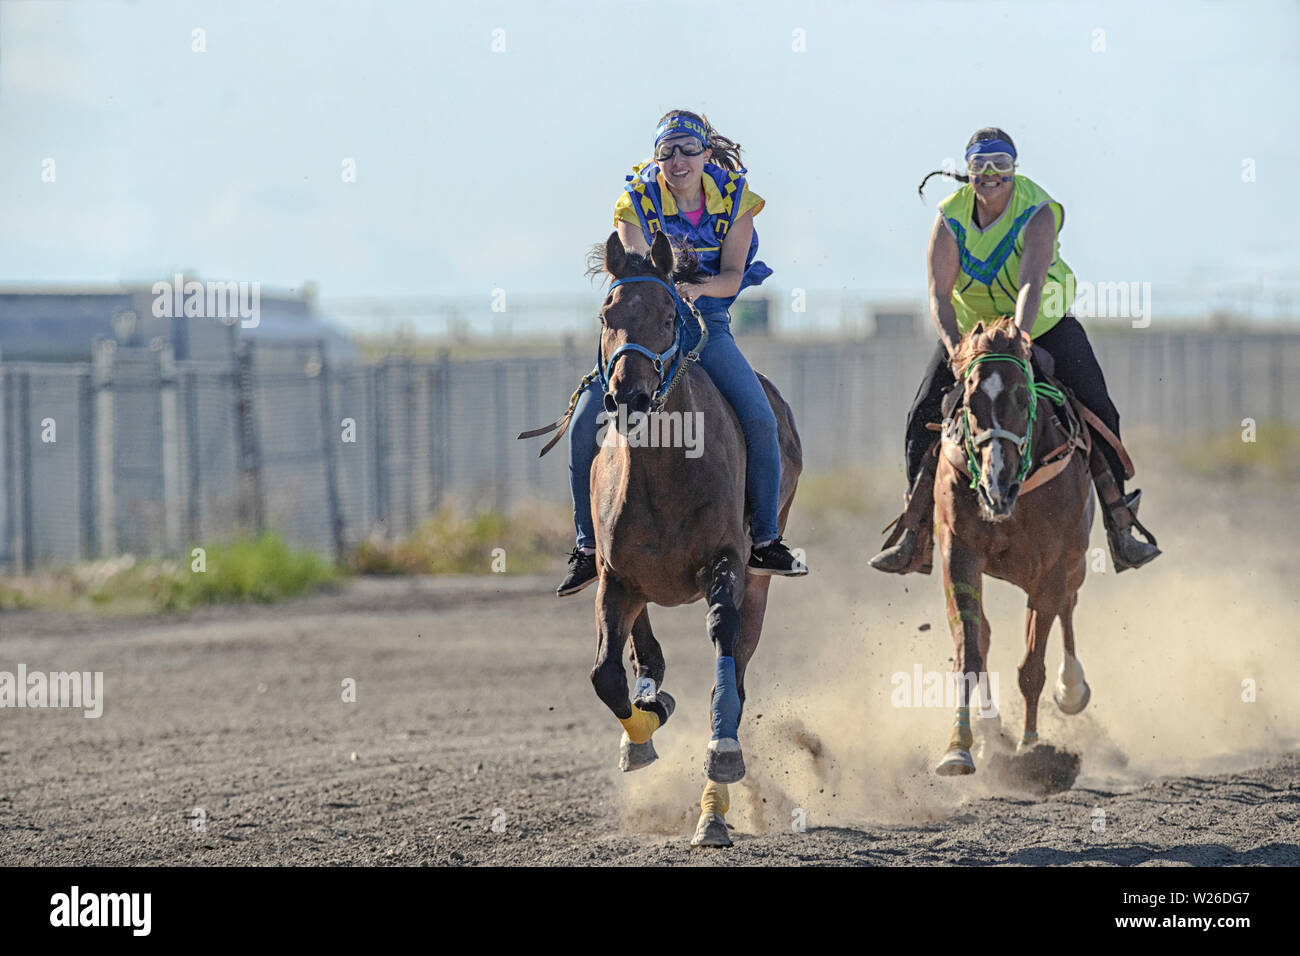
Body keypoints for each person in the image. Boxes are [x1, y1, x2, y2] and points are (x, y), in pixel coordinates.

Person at [869, 127, 1161, 575]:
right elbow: (939, 296)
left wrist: (1022, 339)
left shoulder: (1038, 211)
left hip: (1040, 327)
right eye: (979, 166)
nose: (990, 175)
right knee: (920, 415)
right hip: (974, 337)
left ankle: (1120, 528)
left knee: (1100, 411)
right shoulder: (950, 217)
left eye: (1000, 165)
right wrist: (954, 351)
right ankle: (915, 532)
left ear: (1014, 168)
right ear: (966, 172)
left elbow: (1030, 283)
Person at [558, 110, 808, 596]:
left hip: (706, 321)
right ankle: (589, 547)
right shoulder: (635, 201)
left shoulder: (736, 199)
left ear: (706, 155)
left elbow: (734, 274)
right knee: (585, 421)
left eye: (688, 150)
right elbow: (636, 269)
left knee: (759, 416)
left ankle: (764, 539)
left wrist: (696, 291)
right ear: (657, 159)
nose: (678, 161)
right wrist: (664, 295)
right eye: (667, 152)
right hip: (646, 325)